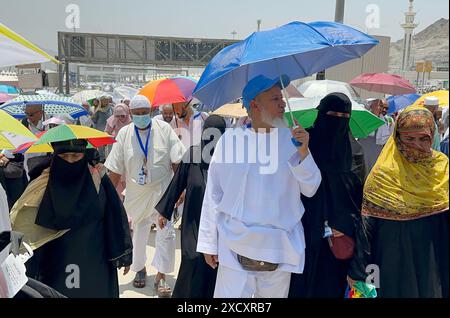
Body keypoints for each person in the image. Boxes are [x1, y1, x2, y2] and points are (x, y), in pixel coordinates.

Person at [197, 75, 322, 298]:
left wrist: (304, 153)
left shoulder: (293, 141)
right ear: (254, 105)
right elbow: (213, 194)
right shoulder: (230, 140)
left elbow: (310, 188)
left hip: (278, 247)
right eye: (275, 98)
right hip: (234, 245)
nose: (283, 103)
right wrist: (208, 243)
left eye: (281, 97)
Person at [10, 139, 133, 298]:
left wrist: (122, 251)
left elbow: (115, 215)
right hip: (56, 259)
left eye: (75, 156)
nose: (70, 161)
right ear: (55, 156)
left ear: (84, 155)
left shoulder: (97, 179)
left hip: (94, 256)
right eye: (64, 156)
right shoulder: (41, 184)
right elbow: (25, 223)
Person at [347, 105, 449, 298]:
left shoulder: (442, 168)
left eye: (423, 139)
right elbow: (367, 227)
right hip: (390, 258)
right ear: (397, 138)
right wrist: (360, 270)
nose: (416, 145)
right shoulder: (383, 173)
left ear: (432, 137)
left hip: (433, 256)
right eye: (409, 139)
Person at [104, 95, 185, 296]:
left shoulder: (164, 129)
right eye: (137, 114)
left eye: (144, 113)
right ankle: (139, 269)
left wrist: (181, 189)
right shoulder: (124, 134)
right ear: (131, 114)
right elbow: (114, 168)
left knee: (165, 233)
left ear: (150, 112)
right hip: (136, 192)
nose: (141, 117)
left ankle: (161, 275)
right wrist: (106, 196)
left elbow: (177, 161)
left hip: (162, 190)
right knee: (139, 232)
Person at [289, 93, 363, 298]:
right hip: (304, 231)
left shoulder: (355, 150)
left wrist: (344, 225)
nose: (337, 120)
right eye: (332, 114)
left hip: (337, 240)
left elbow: (357, 198)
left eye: (343, 115)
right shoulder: (305, 143)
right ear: (321, 114)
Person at [155, 115, 226, 298]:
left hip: (218, 223)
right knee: (192, 259)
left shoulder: (229, 158)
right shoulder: (193, 154)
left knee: (214, 265)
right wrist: (165, 210)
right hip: (193, 220)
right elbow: (177, 183)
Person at [358, 99, 391, 175]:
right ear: (372, 106)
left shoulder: (387, 120)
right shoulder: (365, 117)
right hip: (364, 149)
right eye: (379, 105)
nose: (382, 109)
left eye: (384, 107)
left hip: (377, 150)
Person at [21, 104, 50, 176]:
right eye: (26, 114)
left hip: (46, 159)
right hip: (29, 159)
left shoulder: (50, 123)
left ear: (41, 113)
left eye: (31, 115)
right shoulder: (24, 122)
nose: (28, 117)